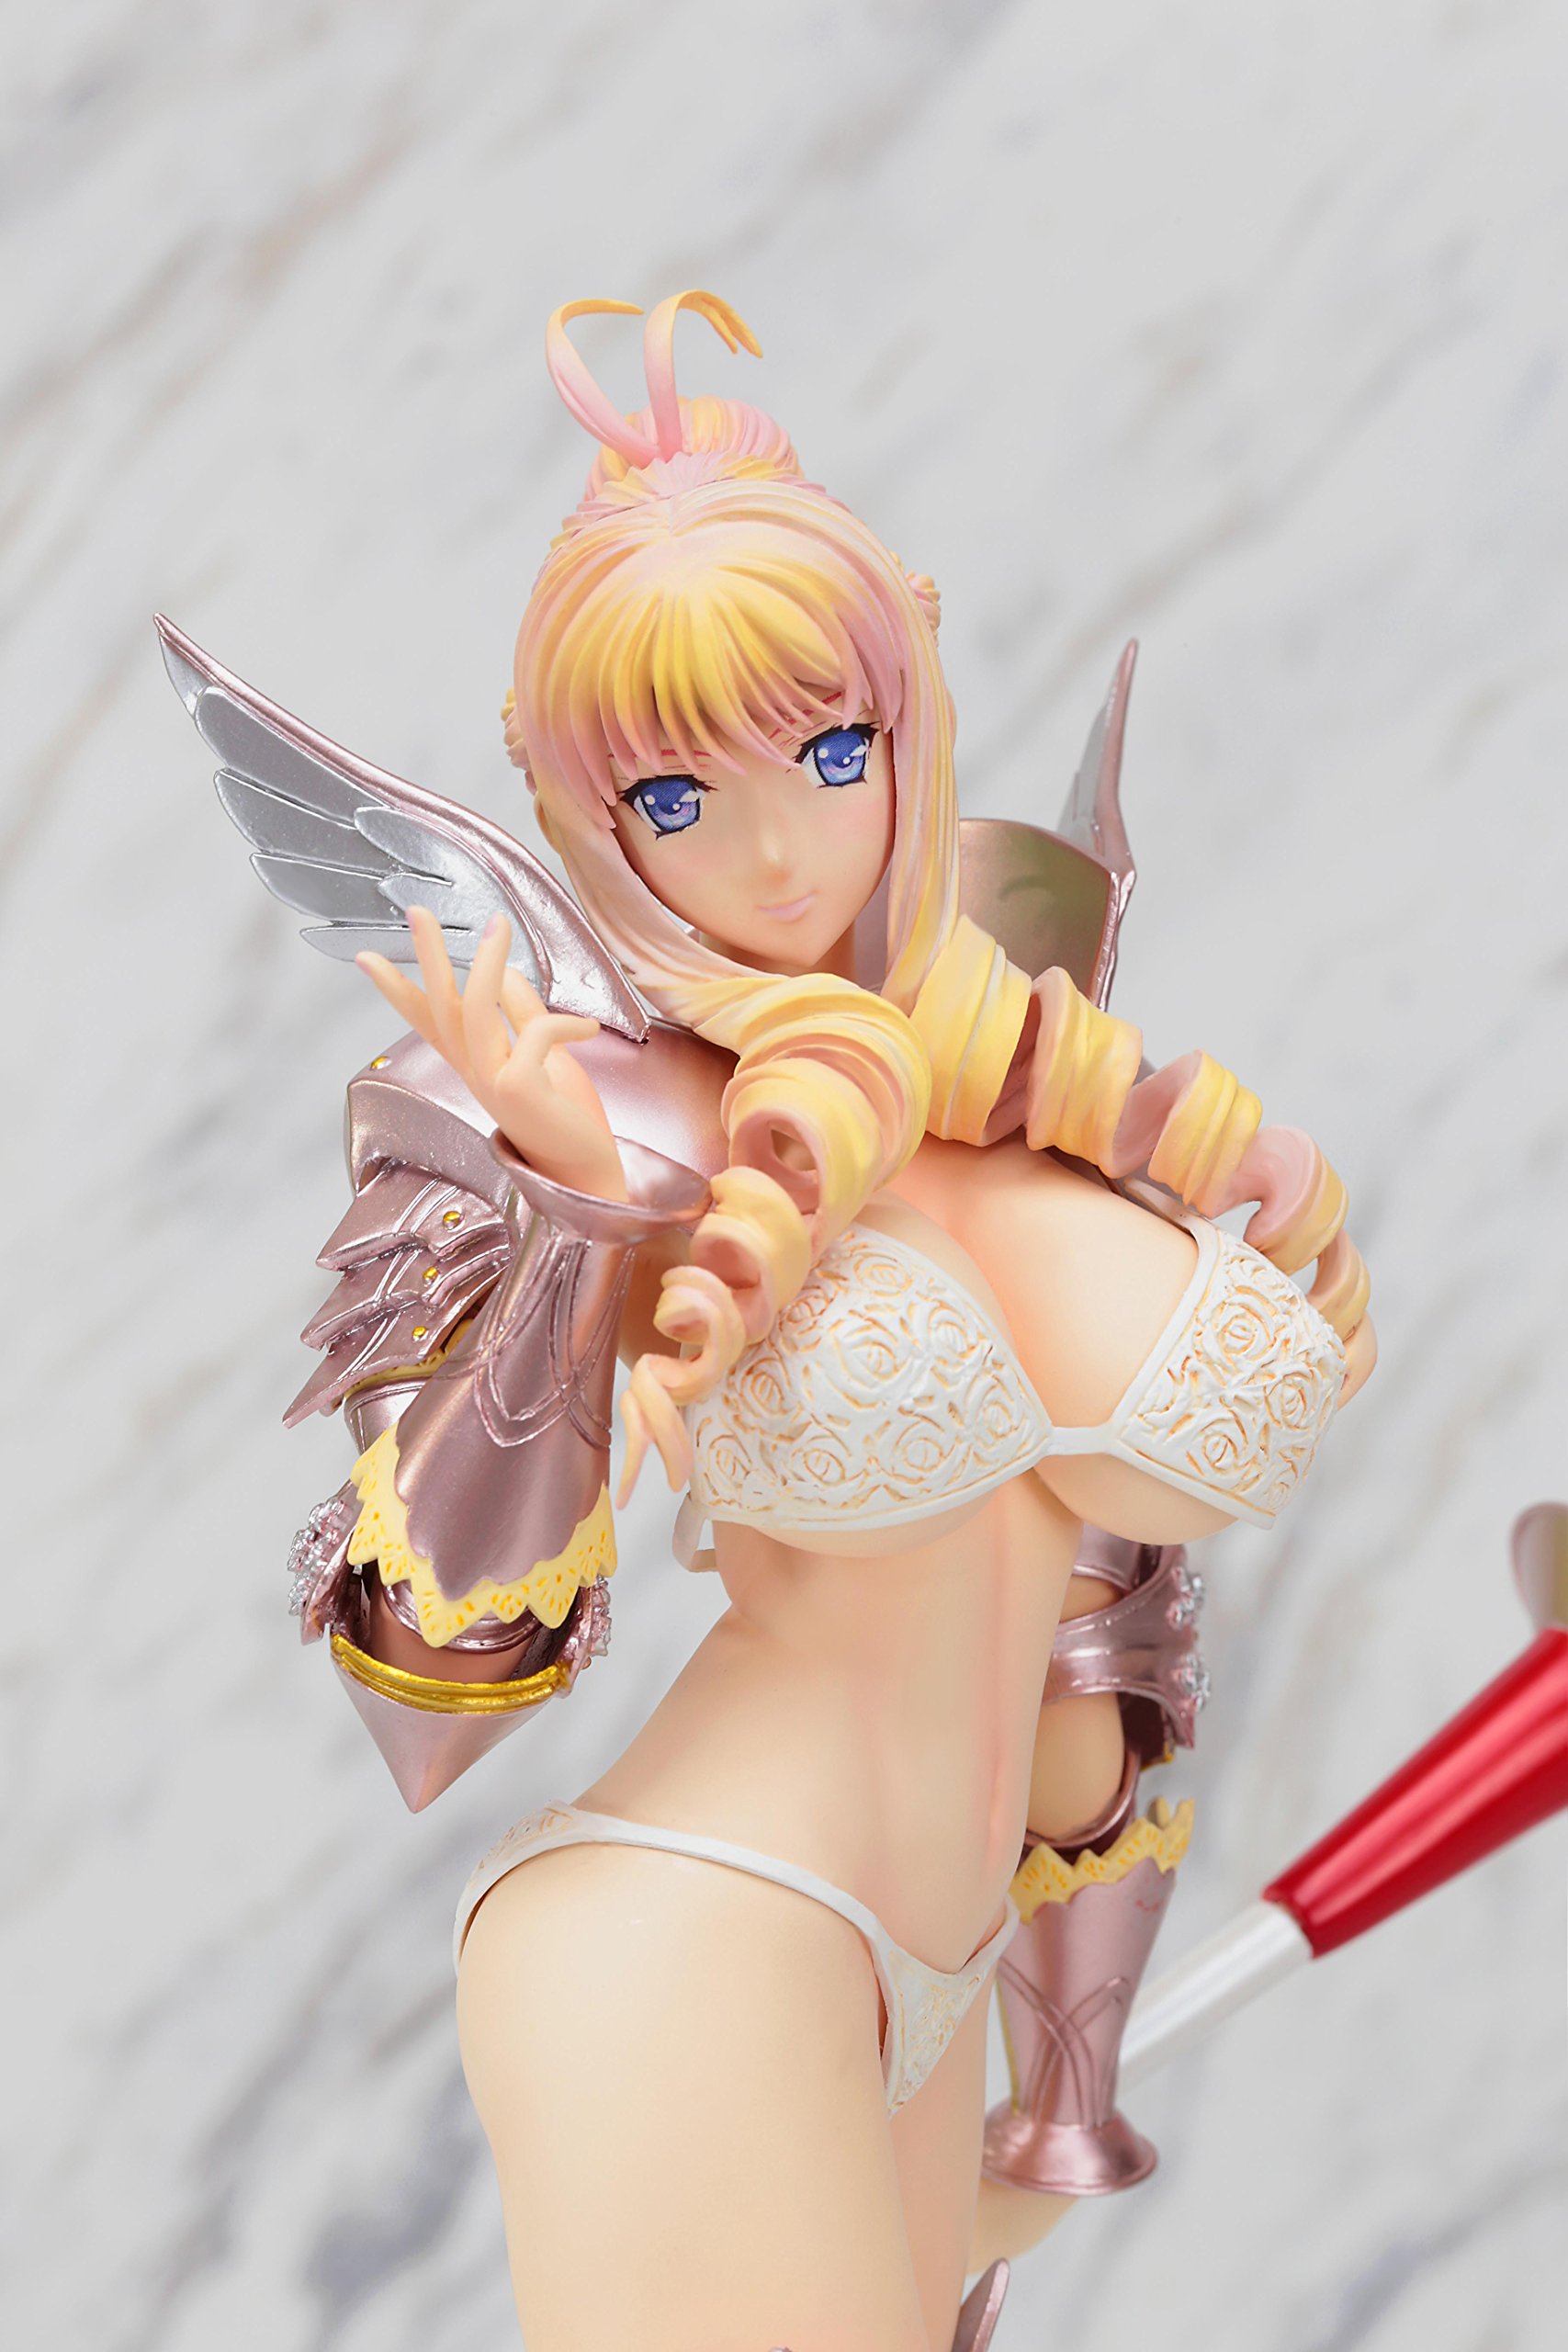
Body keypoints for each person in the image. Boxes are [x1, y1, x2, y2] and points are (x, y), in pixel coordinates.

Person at [164, 290, 1372, 2352]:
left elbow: (1097, 1593)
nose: (781, 848)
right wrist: (576, 1209)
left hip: (921, 1973)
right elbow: (427, 1678)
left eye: (831, 753)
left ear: (910, 717)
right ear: (578, 808)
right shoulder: (597, 1098)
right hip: (698, 1935)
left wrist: (1060, 2056)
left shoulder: (1039, 1067)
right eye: (674, 799)